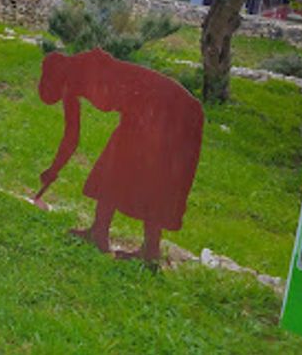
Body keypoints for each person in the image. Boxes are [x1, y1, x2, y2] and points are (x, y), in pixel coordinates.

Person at [38, 49, 204, 261]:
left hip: (173, 109)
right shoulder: (72, 82)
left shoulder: (89, 67)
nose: (64, 96)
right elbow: (72, 137)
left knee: (153, 172)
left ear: (59, 78)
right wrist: (53, 170)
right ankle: (99, 234)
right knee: (114, 163)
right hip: (144, 111)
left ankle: (149, 252)